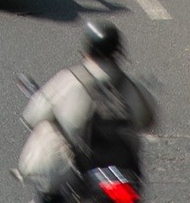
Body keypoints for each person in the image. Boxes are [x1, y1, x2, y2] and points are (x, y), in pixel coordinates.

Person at [17, 21, 157, 200]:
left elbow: (32, 116)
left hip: (81, 175)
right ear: (118, 53)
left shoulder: (70, 80)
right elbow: (148, 119)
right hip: (125, 176)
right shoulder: (131, 87)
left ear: (87, 49)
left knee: (47, 136)